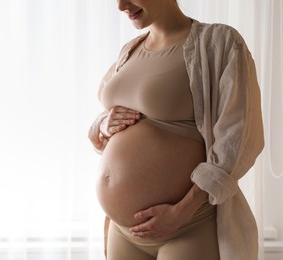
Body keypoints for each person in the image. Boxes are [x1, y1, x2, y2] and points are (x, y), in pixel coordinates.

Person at [88, 0, 264, 259]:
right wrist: (103, 123)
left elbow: (239, 137)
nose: (121, 5)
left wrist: (181, 211)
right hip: (124, 233)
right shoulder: (130, 51)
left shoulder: (218, 42)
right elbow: (106, 123)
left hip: (186, 227)